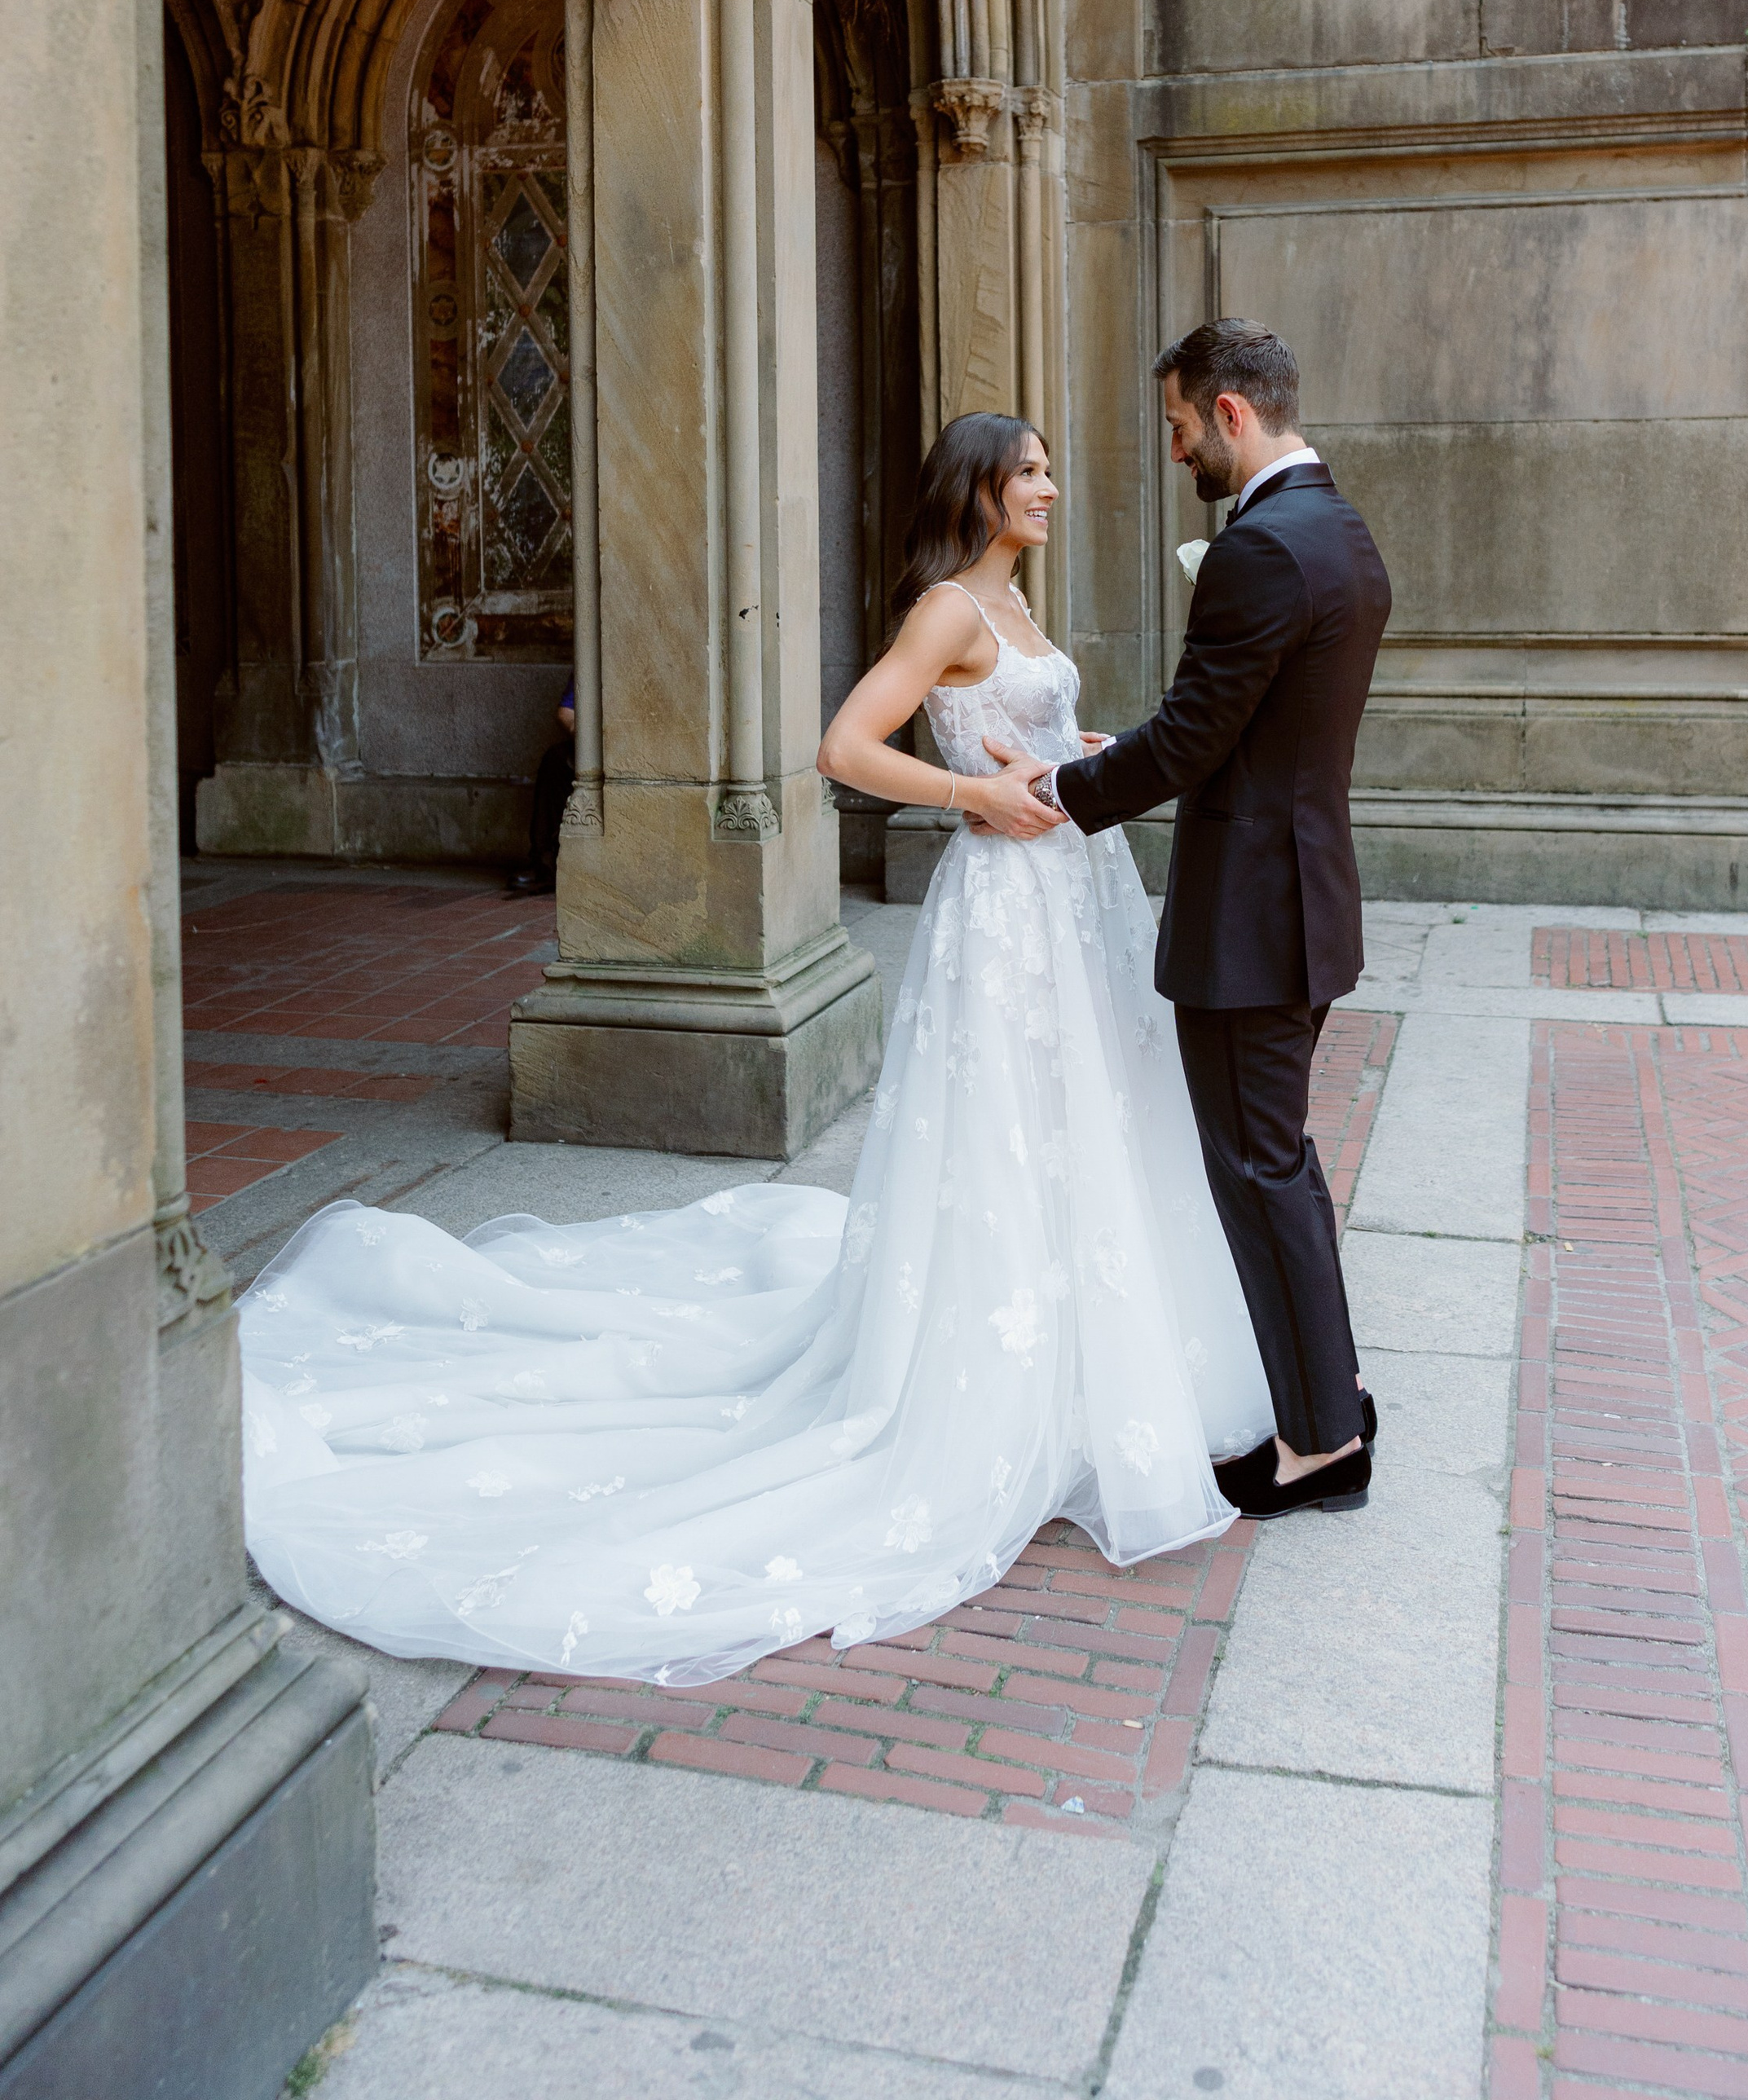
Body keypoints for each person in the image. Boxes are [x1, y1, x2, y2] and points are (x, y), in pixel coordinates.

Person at [236, 415, 1271, 1685]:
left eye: (1054, 467)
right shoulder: (949, 607)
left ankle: (1090, 1372)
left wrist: (1079, 757)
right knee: (1011, 1135)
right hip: (1008, 912)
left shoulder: (1019, 605)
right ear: (980, 489)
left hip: (1075, 895)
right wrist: (975, 799)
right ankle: (1002, 1389)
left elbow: (1030, 739)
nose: (1053, 487)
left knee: (1085, 1130)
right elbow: (846, 748)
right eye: (1032, 472)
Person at [1010, 319, 1392, 1521]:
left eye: (1179, 428)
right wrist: (1118, 751)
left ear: (1231, 415)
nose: (1176, 452)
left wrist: (1062, 792)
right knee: (1280, 1161)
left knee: (1259, 1167)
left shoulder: (1261, 550)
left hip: (1251, 924)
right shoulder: (1340, 530)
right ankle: (1334, 1395)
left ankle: (1324, 1443)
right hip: (1304, 901)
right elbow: (1246, 730)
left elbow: (1195, 740)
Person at [508, 678, 575, 896]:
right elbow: (566, 711)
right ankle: (544, 864)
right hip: (591, 741)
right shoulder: (591, 656)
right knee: (555, 760)